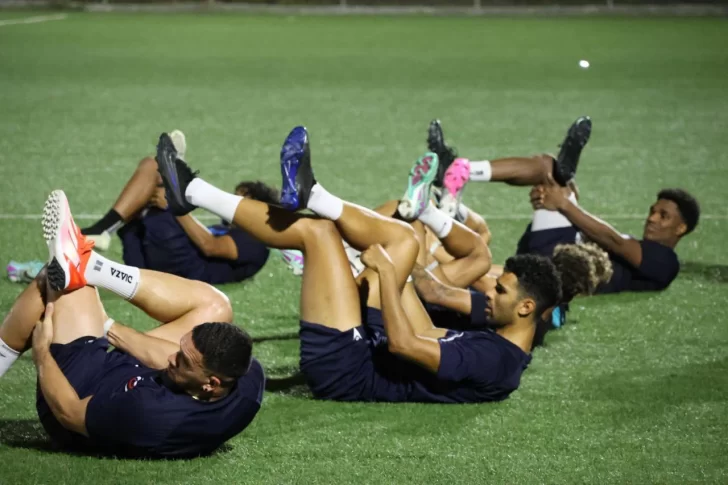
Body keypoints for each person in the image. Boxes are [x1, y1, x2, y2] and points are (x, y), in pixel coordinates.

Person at [156, 126, 562, 403]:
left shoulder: (497, 362)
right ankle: (309, 196)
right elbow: (424, 330)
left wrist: (387, 276)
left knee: (319, 235)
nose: (490, 291)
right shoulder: (498, 347)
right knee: (401, 237)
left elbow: (405, 344)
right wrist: (398, 274)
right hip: (365, 345)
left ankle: (192, 191)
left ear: (527, 307)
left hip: (346, 368)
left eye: (502, 290)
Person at [0, 190, 264, 457]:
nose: (171, 357)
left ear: (212, 384)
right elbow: (186, 361)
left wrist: (42, 354)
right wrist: (108, 326)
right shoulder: (247, 379)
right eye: (181, 349)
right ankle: (90, 266)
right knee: (216, 305)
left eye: (183, 360)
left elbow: (69, 413)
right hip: (129, 377)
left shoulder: (152, 414)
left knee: (58, 280)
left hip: (77, 394)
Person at [428, 117, 700, 293]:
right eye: (653, 211)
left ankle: (454, 181)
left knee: (552, 174)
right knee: (551, 169)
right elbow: (600, 238)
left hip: (556, 265)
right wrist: (566, 200)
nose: (652, 218)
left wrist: (565, 205)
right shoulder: (643, 252)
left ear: (681, 228)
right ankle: (458, 174)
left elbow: (613, 241)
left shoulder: (665, 262)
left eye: (663, 216)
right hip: (551, 255)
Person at [81, 130, 274, 285]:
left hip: (184, 268)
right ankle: (173, 171)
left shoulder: (256, 242)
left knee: (153, 167)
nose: (233, 203)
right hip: (148, 265)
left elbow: (210, 247)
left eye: (240, 200)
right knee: (148, 193)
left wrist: (176, 207)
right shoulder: (235, 230)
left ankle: (173, 171)